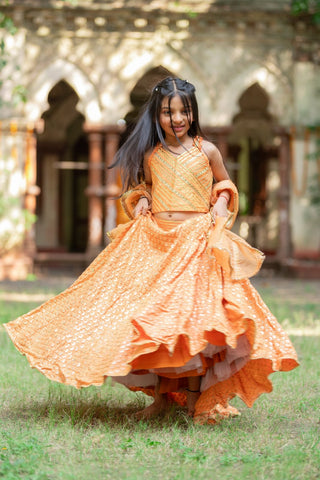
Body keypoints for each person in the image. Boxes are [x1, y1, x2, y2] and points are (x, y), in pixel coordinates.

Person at [4, 77, 298, 424]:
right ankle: (162, 397)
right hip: (157, 243)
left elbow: (224, 182)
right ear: (157, 116)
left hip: (194, 243)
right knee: (155, 322)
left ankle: (192, 399)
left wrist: (221, 201)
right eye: (168, 112)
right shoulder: (151, 153)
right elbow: (142, 186)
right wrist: (142, 200)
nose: (177, 118)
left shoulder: (207, 151)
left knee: (190, 323)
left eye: (184, 111)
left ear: (193, 112)